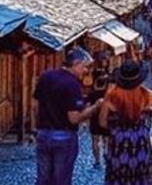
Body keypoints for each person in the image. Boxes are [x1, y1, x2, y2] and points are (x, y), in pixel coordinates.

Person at [33, 48, 103, 185]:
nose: (86, 71)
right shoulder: (72, 84)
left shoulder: (46, 76)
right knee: (61, 179)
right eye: (84, 67)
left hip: (43, 134)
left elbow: (35, 105)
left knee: (43, 178)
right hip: (63, 136)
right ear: (76, 64)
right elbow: (74, 118)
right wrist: (95, 107)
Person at [100, 61, 152, 185]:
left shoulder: (112, 95)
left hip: (118, 143)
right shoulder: (146, 94)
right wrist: (146, 114)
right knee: (140, 176)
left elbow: (102, 122)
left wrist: (115, 126)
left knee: (117, 176)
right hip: (140, 142)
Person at [87, 75, 110, 168]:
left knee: (95, 140)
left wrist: (86, 120)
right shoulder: (108, 94)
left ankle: (97, 161)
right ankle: (106, 154)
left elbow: (88, 106)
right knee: (106, 140)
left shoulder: (92, 94)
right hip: (106, 118)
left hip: (94, 119)